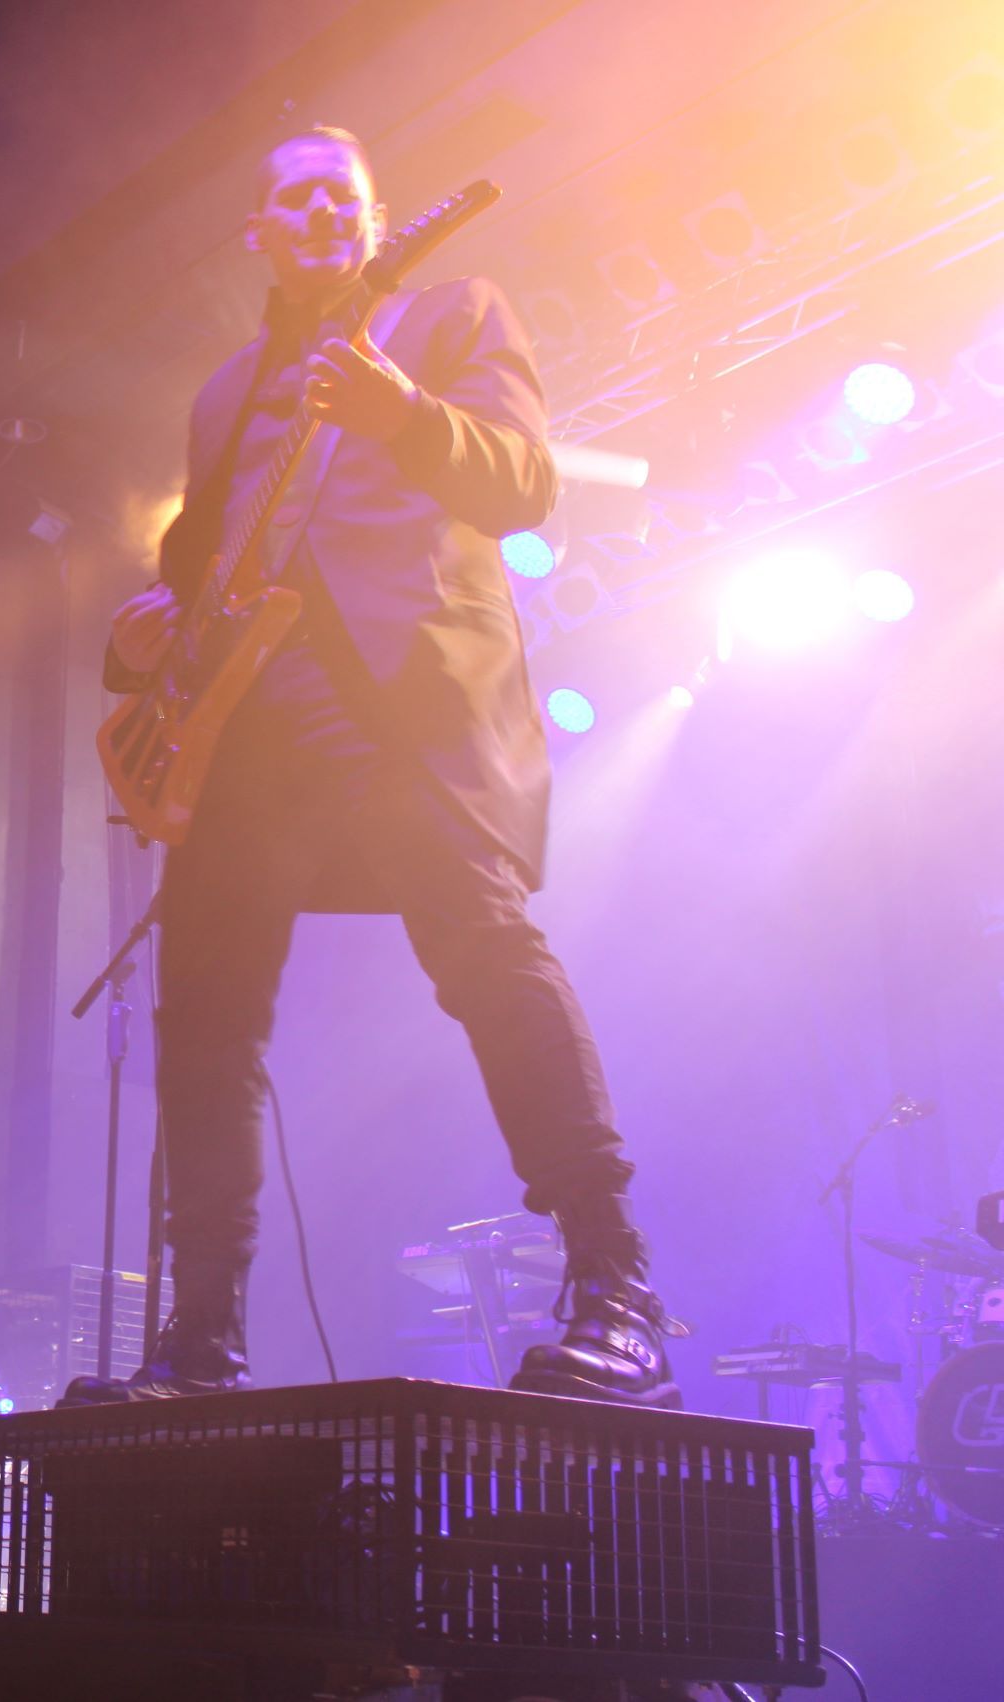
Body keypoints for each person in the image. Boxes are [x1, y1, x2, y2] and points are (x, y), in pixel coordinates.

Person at [64, 127, 681, 1410]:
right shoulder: (225, 391)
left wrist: (401, 414)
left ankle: (614, 1283)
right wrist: (150, 635)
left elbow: (523, 485)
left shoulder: (451, 313)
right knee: (204, 1024)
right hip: (244, 730)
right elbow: (200, 559)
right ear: (259, 232)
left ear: (371, 213)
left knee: (484, 953)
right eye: (289, 196)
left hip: (397, 702)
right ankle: (200, 1339)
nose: (317, 211)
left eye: (336, 194)